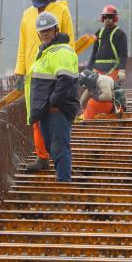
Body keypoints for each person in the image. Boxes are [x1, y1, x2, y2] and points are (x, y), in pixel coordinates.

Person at [14, 0, 74, 172]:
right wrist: (19, 71)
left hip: (55, 74)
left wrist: (68, 70)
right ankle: (42, 157)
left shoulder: (61, 10)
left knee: (56, 117)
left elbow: (70, 42)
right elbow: (22, 45)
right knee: (36, 117)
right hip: (34, 76)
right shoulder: (27, 15)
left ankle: (60, 160)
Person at [24, 12, 79, 182]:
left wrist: (53, 103)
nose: (45, 34)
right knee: (51, 147)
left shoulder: (62, 51)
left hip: (57, 110)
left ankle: (64, 182)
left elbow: (65, 80)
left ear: (56, 30)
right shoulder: (45, 52)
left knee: (59, 147)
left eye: (48, 30)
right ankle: (62, 175)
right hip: (46, 110)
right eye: (42, 31)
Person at [88, 4, 128, 82]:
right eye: (105, 17)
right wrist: (88, 69)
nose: (107, 19)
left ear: (115, 18)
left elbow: (123, 54)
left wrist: (122, 70)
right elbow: (94, 53)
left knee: (110, 88)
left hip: (113, 70)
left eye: (110, 17)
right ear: (102, 18)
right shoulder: (99, 32)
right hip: (98, 70)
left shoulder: (120, 34)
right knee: (89, 88)